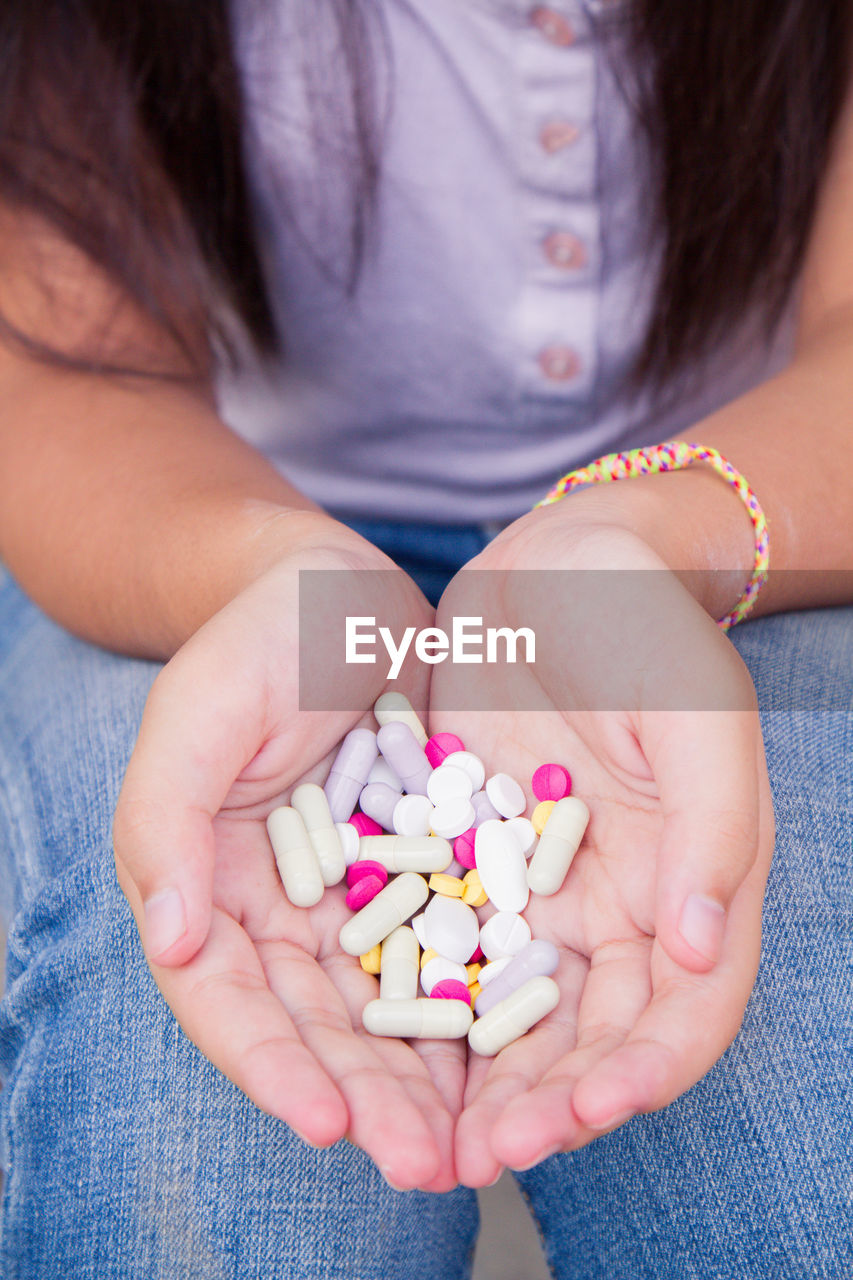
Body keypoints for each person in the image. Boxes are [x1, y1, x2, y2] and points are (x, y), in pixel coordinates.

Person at [0, 1, 850, 1276]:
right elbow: (66, 379)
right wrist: (290, 582)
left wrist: (644, 549)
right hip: (200, 540)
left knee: (787, 1110)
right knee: (201, 1137)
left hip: (724, 528)